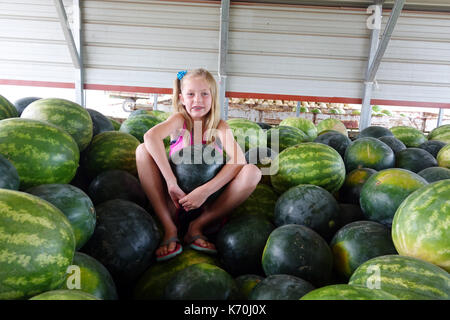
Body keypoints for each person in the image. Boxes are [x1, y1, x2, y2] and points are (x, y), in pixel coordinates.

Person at [135, 68, 262, 261]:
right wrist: (171, 183)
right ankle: (169, 228)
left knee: (252, 171)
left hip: (209, 205)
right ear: (181, 99)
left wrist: (205, 191)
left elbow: (239, 160)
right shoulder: (179, 120)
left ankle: (198, 227)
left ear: (213, 98)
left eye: (205, 94)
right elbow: (150, 136)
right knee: (143, 150)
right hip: (175, 203)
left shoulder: (220, 126)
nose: (198, 100)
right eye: (191, 94)